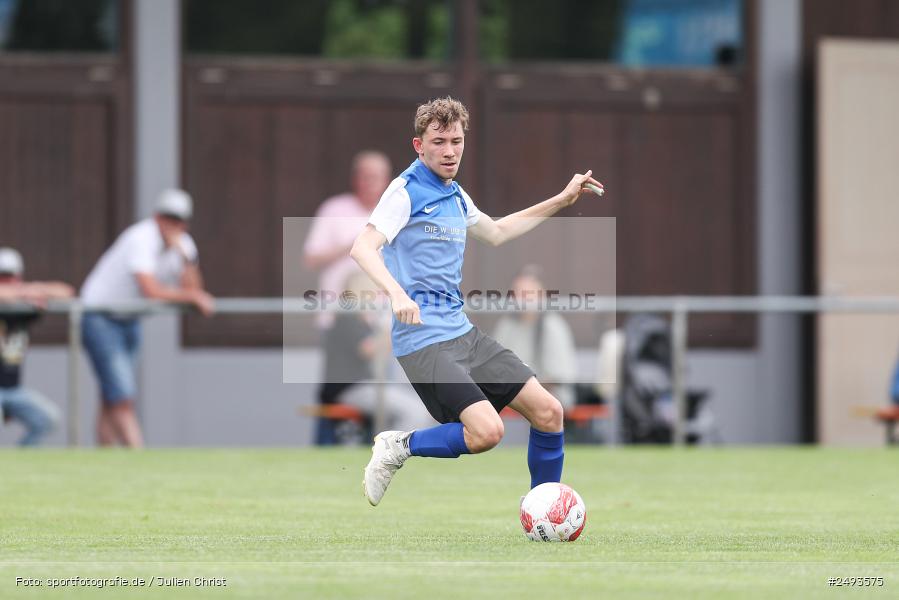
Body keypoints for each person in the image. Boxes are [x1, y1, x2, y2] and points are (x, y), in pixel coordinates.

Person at [350, 97, 603, 505]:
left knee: (550, 412)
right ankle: (399, 446)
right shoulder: (405, 191)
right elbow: (363, 247)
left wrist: (562, 199)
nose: (449, 151)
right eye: (439, 141)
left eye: (457, 140)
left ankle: (542, 511)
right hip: (423, 341)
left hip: (462, 335)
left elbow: (498, 232)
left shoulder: (455, 195)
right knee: (488, 432)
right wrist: (396, 295)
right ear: (419, 146)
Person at [80, 189, 215, 448]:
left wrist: (187, 260)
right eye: (167, 218)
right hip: (100, 316)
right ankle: (138, 455)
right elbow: (151, 290)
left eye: (178, 220)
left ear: (185, 223)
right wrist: (192, 298)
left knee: (112, 395)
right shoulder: (141, 238)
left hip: (129, 318)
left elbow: (193, 288)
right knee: (122, 395)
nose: (171, 225)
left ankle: (102, 456)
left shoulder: (185, 246)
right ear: (156, 217)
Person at [319, 272, 434, 436]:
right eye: (371, 290)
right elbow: (368, 350)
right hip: (349, 388)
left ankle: (391, 449)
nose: (375, 296)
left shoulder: (363, 320)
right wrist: (392, 326)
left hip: (364, 385)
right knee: (415, 411)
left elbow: (383, 349)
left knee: (418, 407)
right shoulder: (347, 316)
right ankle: (394, 453)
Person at [304, 150, 392, 329]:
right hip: (337, 317)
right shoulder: (333, 209)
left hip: (384, 321)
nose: (370, 183)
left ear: (387, 180)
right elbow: (311, 259)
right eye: (365, 177)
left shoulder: (396, 213)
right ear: (355, 178)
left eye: (376, 177)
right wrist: (353, 246)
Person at [0, 247, 73, 446]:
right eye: (2, 277)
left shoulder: (24, 305)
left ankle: (19, 464)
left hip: (12, 389)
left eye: (10, 276)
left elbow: (65, 291)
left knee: (48, 419)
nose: (7, 282)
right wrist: (21, 293)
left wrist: (31, 290)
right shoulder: (20, 297)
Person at [492, 265, 578, 410]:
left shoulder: (553, 325)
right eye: (516, 293)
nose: (521, 299)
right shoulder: (507, 325)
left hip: (549, 400)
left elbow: (558, 378)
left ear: (541, 294)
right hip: (509, 398)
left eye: (527, 293)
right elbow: (493, 367)